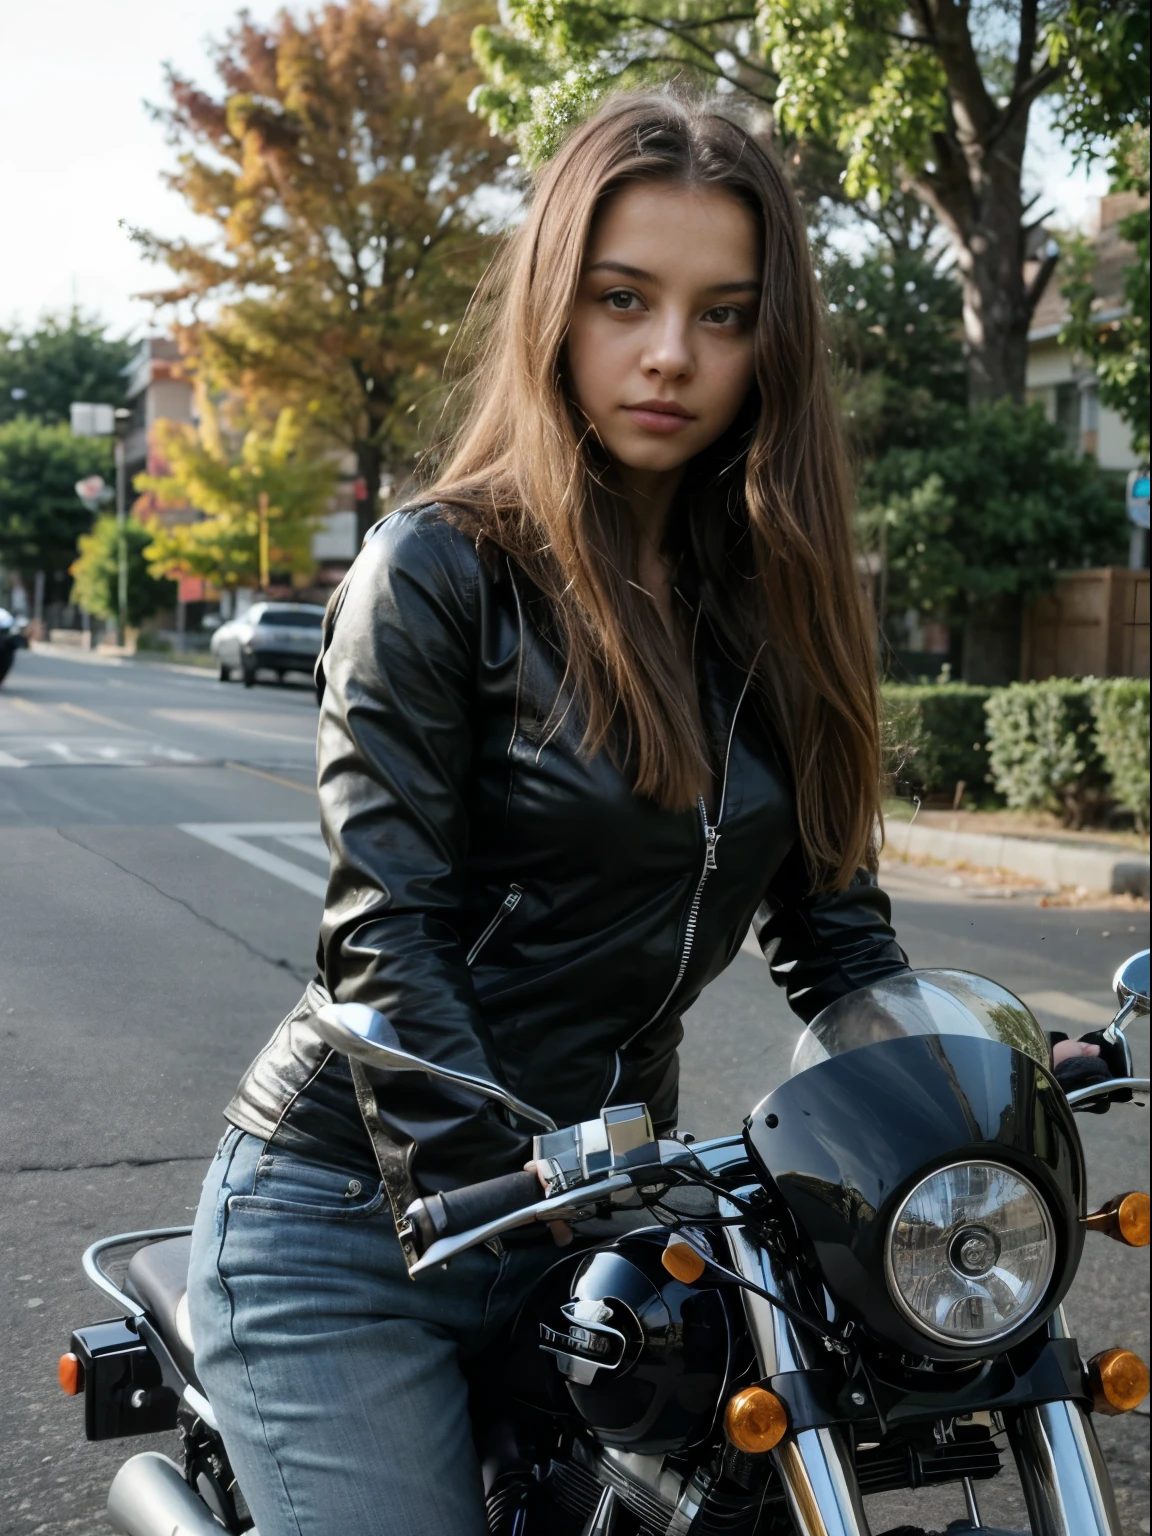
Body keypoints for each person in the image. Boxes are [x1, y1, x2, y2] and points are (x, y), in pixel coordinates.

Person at [185, 88, 1097, 1536]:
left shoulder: (779, 609)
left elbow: (840, 945)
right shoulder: (439, 571)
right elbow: (386, 936)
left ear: (769, 344)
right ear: (559, 302)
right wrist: (513, 1182)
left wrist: (963, 1067)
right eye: (626, 298)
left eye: (723, 313)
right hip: (357, 1216)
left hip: (617, 1214)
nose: (671, 351)